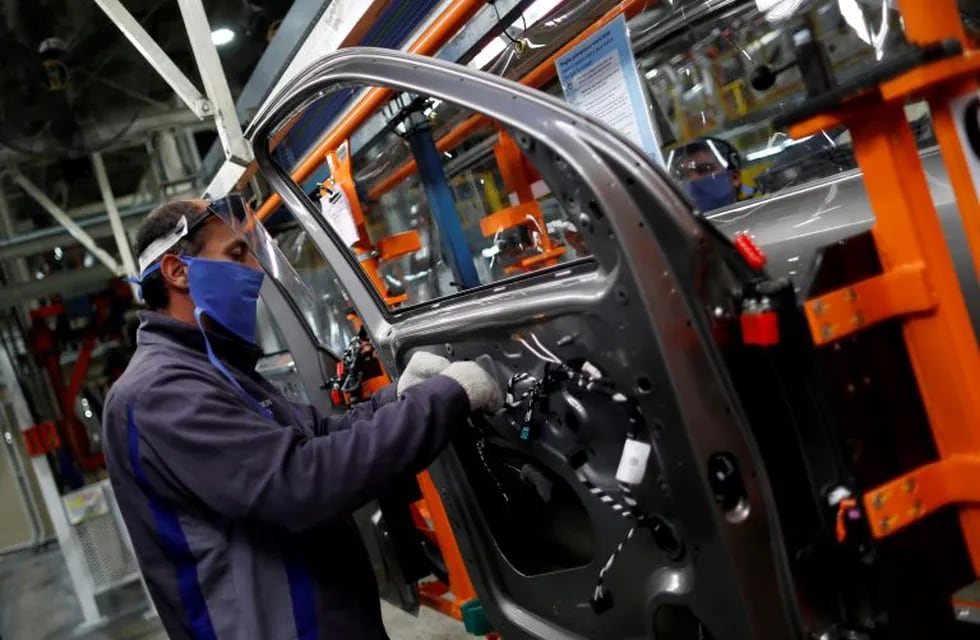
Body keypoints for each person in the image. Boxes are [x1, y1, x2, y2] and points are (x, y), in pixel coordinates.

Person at [101, 195, 502, 640]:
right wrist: (447, 398)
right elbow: (301, 481)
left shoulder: (216, 368)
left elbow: (317, 436)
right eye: (235, 254)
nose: (254, 271)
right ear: (178, 271)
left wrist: (400, 397)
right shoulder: (161, 391)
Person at [668, 136, 760, 213]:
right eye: (682, 175)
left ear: (735, 178)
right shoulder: (679, 231)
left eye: (704, 169)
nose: (692, 179)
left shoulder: (762, 214)